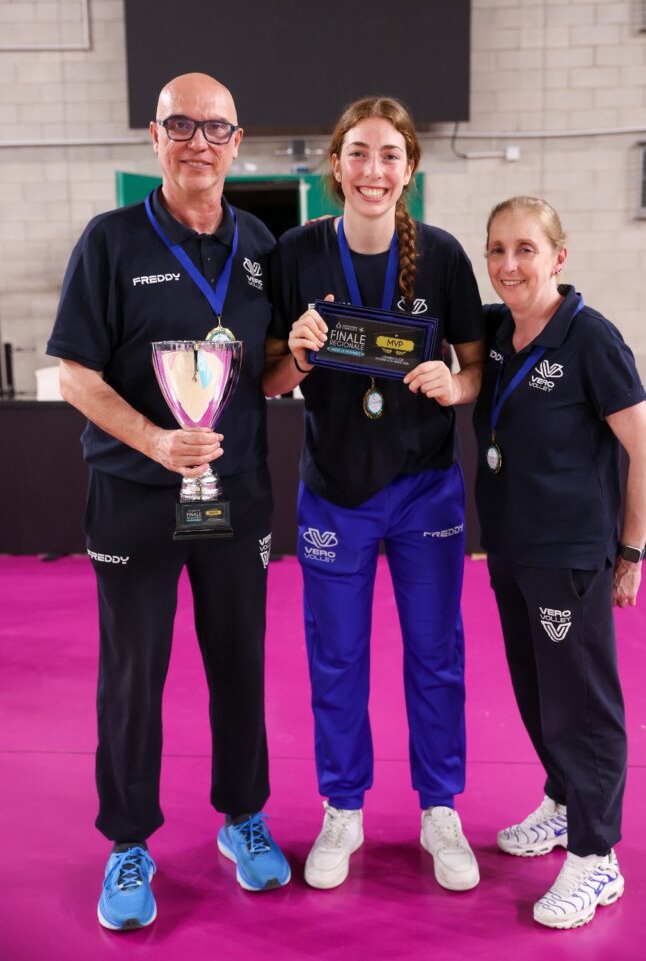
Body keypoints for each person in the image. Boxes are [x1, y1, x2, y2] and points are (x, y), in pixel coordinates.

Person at [47, 73, 290, 931]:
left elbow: (265, 374)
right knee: (132, 675)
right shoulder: (109, 241)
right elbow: (75, 376)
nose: (198, 141)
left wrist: (300, 358)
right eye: (180, 125)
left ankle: (243, 816)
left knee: (240, 665)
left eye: (215, 127)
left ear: (237, 141)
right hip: (136, 494)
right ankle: (128, 843)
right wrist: (154, 440)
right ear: (154, 137)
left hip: (236, 493)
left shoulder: (261, 243)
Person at [263, 96, 485, 892]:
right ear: (336, 163)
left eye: (390, 154)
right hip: (334, 491)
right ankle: (343, 808)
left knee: (435, 654)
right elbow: (269, 379)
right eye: (358, 152)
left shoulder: (444, 255)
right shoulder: (296, 253)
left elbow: (475, 366)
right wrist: (297, 354)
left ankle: (440, 809)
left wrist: (455, 386)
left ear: (410, 167)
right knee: (337, 658)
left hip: (425, 490)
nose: (373, 170)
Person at [473, 196, 646, 929]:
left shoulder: (590, 338)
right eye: (497, 249)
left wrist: (631, 553)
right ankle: (562, 803)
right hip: (510, 550)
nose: (509, 264)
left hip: (570, 557)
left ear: (558, 256)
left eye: (525, 249)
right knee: (537, 695)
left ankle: (596, 853)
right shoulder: (496, 332)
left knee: (581, 707)